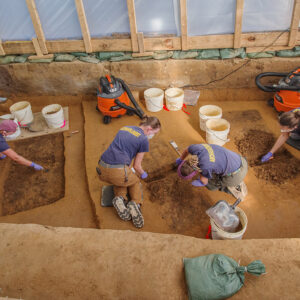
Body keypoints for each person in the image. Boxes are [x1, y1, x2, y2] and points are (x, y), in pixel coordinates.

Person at [96, 116, 161, 228]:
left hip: (101, 169)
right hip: (117, 172)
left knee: (122, 180)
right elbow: (136, 166)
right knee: (134, 181)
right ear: (149, 129)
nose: (152, 135)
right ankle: (135, 203)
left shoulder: (125, 128)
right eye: (154, 132)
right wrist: (143, 174)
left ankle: (119, 198)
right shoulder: (143, 139)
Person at [176, 143, 248, 200]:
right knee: (214, 167)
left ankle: (233, 187)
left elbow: (204, 181)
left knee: (210, 185)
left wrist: (201, 182)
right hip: (240, 160)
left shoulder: (204, 168)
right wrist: (181, 158)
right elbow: (186, 151)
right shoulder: (195, 148)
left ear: (195, 172)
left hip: (237, 173)